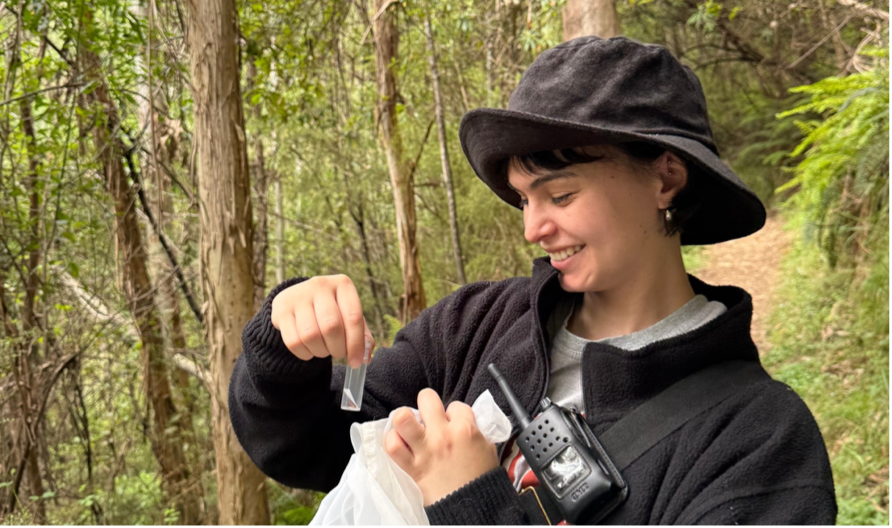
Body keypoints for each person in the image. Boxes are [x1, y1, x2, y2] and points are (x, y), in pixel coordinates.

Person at [229, 36, 837, 525]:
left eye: (561, 195)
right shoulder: (475, 326)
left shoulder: (759, 440)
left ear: (666, 179)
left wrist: (472, 503)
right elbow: (313, 445)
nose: (533, 229)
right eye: (524, 199)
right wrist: (285, 347)